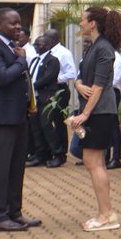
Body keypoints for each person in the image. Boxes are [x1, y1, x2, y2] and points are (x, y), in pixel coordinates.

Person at [0, 8, 41, 232]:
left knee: (16, 167)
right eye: (12, 23)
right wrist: (22, 61)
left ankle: (15, 213)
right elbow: (3, 77)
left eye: (19, 23)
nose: (18, 27)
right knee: (1, 168)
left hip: (17, 115)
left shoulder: (11, 46)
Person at [69, 6, 121, 232]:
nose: (80, 23)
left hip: (100, 112)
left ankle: (106, 215)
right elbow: (82, 77)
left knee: (94, 163)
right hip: (95, 111)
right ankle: (105, 213)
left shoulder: (103, 48)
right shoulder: (94, 46)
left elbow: (99, 86)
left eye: (83, 19)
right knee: (95, 163)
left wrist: (84, 114)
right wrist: (78, 84)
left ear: (92, 23)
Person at [24, 32, 60, 167]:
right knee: (36, 127)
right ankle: (40, 155)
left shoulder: (52, 60)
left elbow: (48, 78)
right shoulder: (35, 60)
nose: (36, 46)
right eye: (35, 44)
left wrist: (31, 85)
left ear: (48, 45)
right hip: (35, 98)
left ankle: (58, 154)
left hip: (47, 98)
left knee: (47, 126)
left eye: (39, 44)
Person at [44, 29, 78, 166]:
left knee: (59, 122)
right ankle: (51, 150)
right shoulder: (47, 52)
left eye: (46, 38)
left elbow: (72, 73)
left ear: (53, 39)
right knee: (47, 121)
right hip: (48, 90)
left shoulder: (64, 53)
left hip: (60, 90)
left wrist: (55, 79)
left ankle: (61, 153)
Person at [106, 48, 121, 169]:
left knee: (113, 124)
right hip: (103, 92)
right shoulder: (104, 55)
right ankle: (106, 156)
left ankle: (116, 158)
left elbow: (115, 79)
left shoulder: (117, 58)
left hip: (112, 92)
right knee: (105, 124)